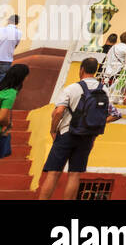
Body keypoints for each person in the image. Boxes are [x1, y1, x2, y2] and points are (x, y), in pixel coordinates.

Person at [38, 57, 120, 200]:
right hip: (87, 136)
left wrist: (53, 129)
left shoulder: (72, 88)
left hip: (66, 133)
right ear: (96, 70)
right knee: (75, 174)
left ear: (81, 69)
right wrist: (93, 126)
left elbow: (58, 112)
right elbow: (114, 114)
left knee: (54, 173)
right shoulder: (104, 90)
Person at [0, 63, 30, 139]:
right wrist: (7, 124)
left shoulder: (2, 88)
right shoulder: (11, 93)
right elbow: (2, 117)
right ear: (22, 77)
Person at [0, 13, 21, 82]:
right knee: (2, 79)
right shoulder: (19, 33)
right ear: (17, 23)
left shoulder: (1, 30)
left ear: (9, 20)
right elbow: (15, 46)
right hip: (7, 60)